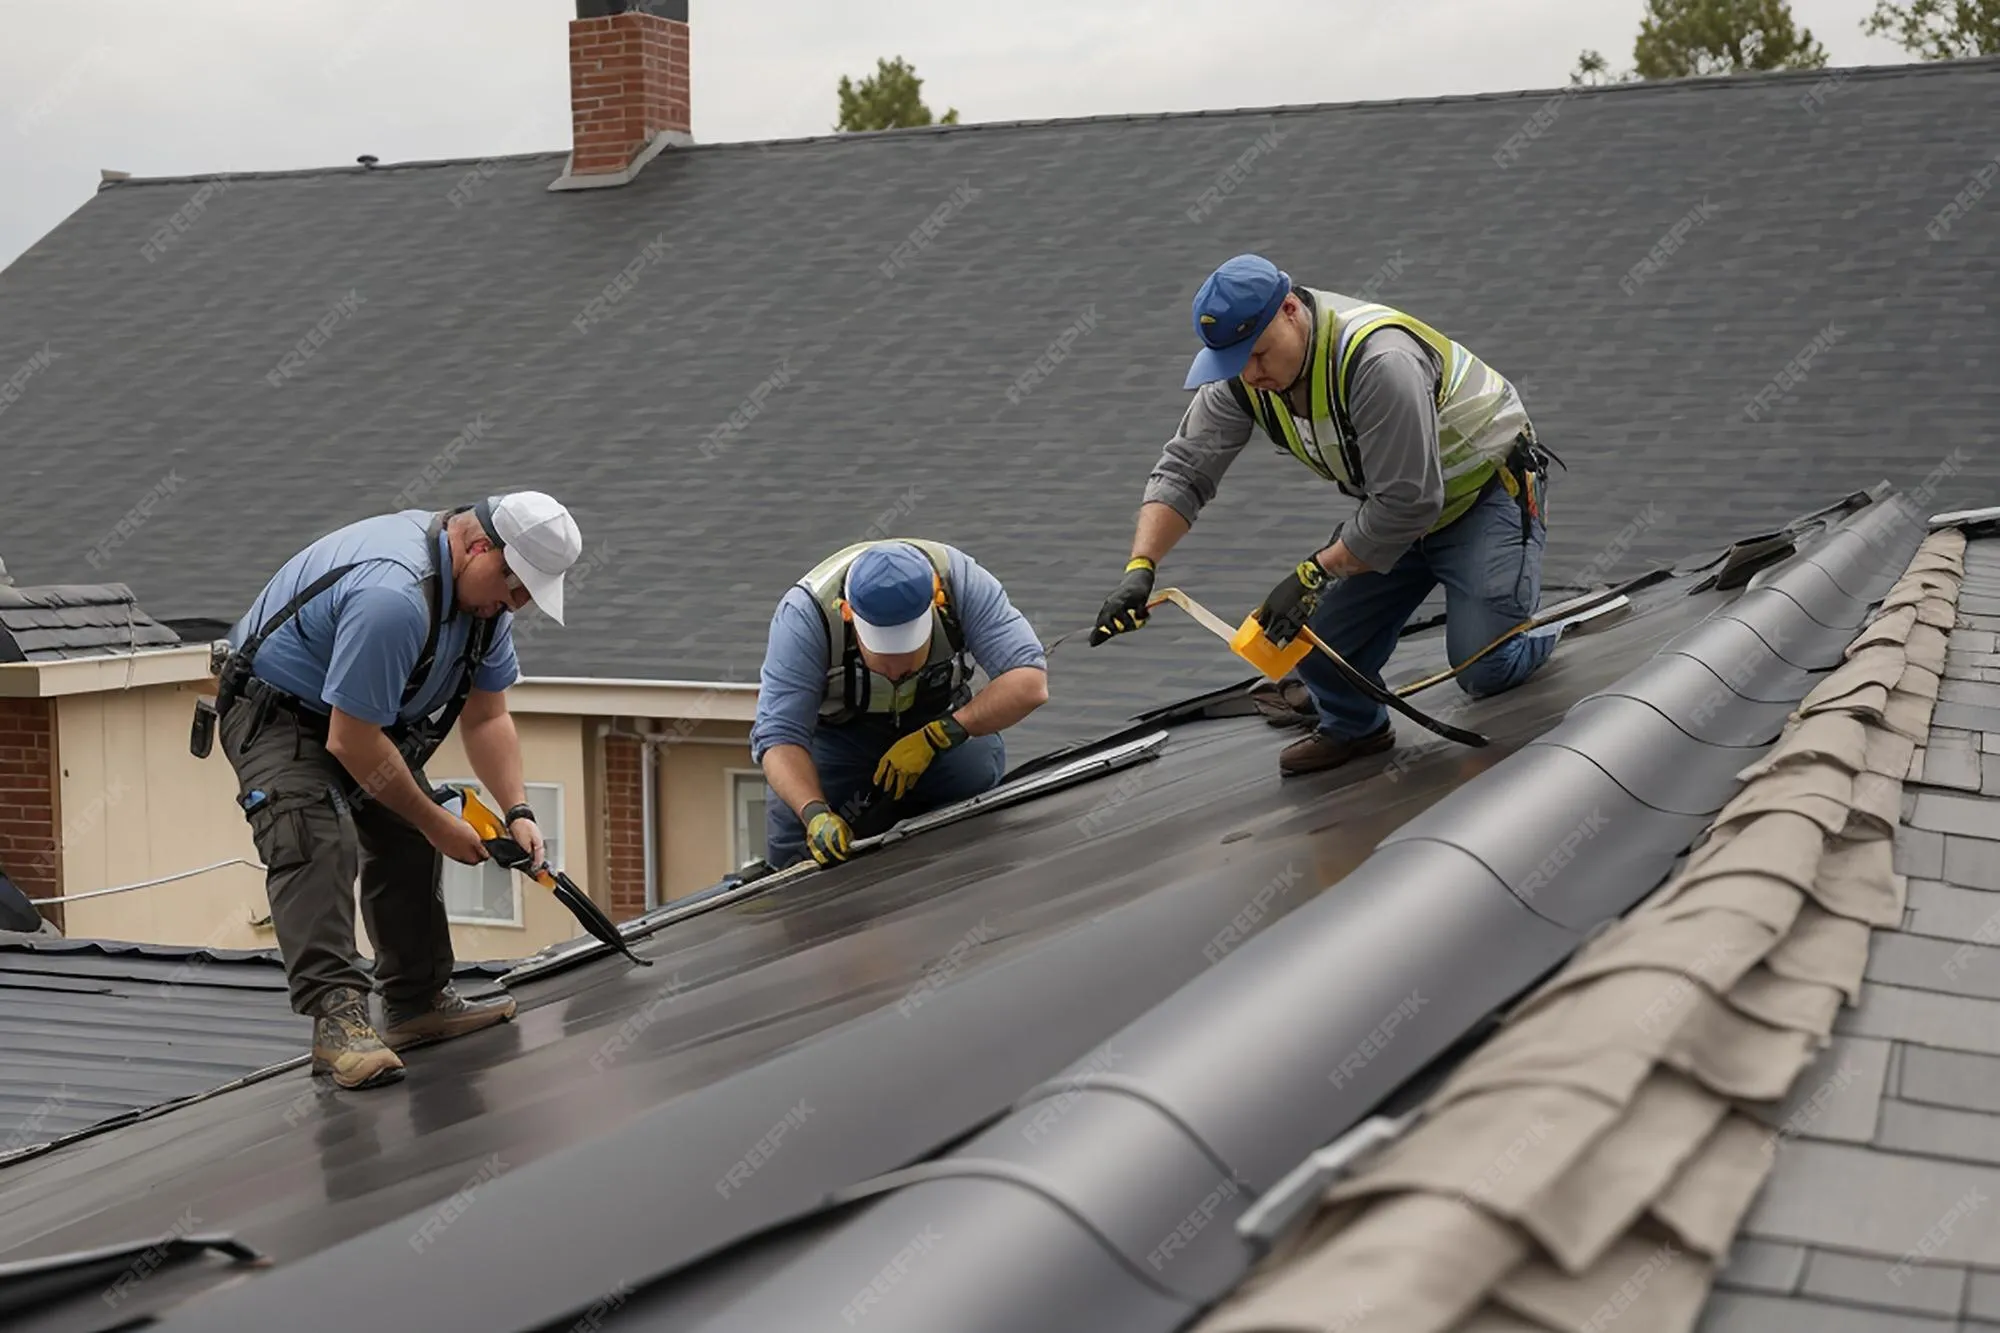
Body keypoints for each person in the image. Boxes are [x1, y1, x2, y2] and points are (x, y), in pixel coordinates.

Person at [1091, 252, 1569, 776]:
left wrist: (1313, 572)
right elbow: (1185, 470)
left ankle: (1534, 629)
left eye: (1259, 355)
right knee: (1313, 644)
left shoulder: (1378, 362)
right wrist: (1142, 567)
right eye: (1234, 363)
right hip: (1396, 513)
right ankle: (1357, 731)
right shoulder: (1243, 378)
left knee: (1483, 667)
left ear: (1291, 310)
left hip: (1484, 497)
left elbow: (1409, 502)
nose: (1251, 375)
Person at [212, 492, 582, 1089]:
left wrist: (517, 810)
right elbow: (351, 742)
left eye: (526, 595)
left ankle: (417, 1004)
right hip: (279, 717)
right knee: (314, 834)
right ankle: (338, 1024)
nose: (515, 603)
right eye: (514, 586)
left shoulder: (485, 606)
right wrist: (436, 821)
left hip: (361, 721)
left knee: (409, 833)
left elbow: (487, 718)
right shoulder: (395, 594)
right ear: (478, 545)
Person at [751, 538, 1049, 871]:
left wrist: (940, 734)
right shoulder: (806, 617)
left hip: (939, 726)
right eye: (883, 655)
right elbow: (779, 738)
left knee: (972, 817)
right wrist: (814, 812)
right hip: (836, 742)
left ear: (934, 606)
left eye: (907, 653)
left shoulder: (960, 584)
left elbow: (1029, 683)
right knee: (800, 863)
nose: (895, 671)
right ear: (848, 613)